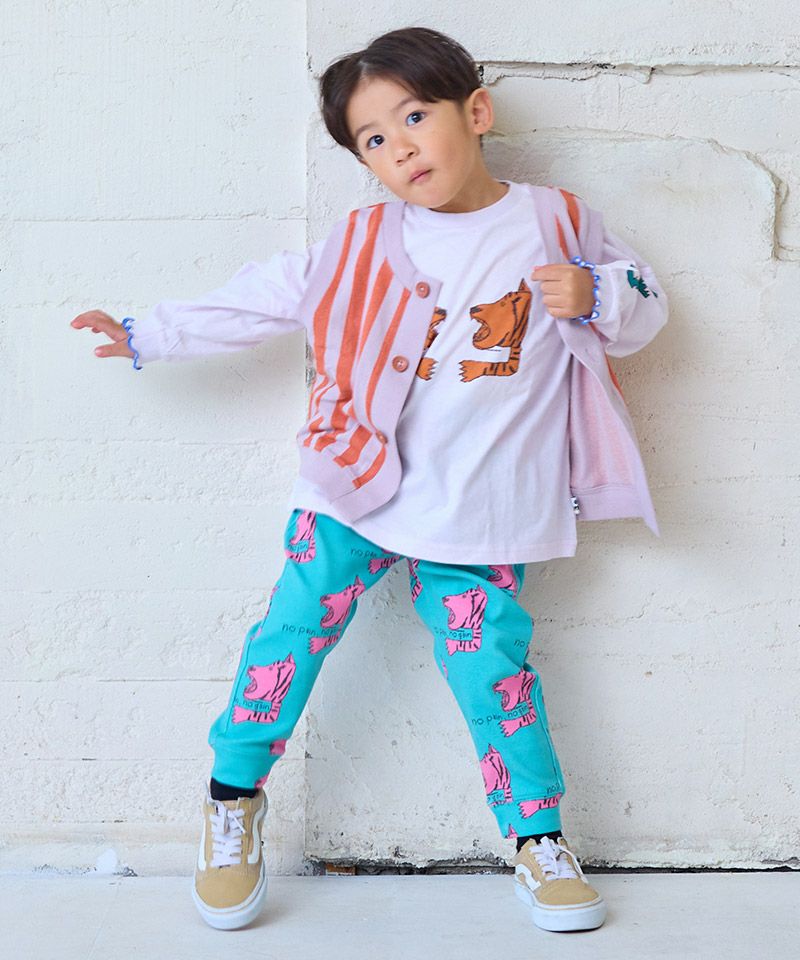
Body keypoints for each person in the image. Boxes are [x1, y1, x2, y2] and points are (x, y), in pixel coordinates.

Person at [70, 26, 667, 933]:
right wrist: (150, 332)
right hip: (354, 492)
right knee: (287, 640)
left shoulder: (557, 221)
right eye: (374, 140)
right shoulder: (363, 238)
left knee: (496, 676)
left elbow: (647, 302)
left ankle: (539, 839)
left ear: (476, 111)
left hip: (484, 512)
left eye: (415, 117)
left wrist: (600, 296)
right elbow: (270, 294)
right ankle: (232, 800)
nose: (401, 149)